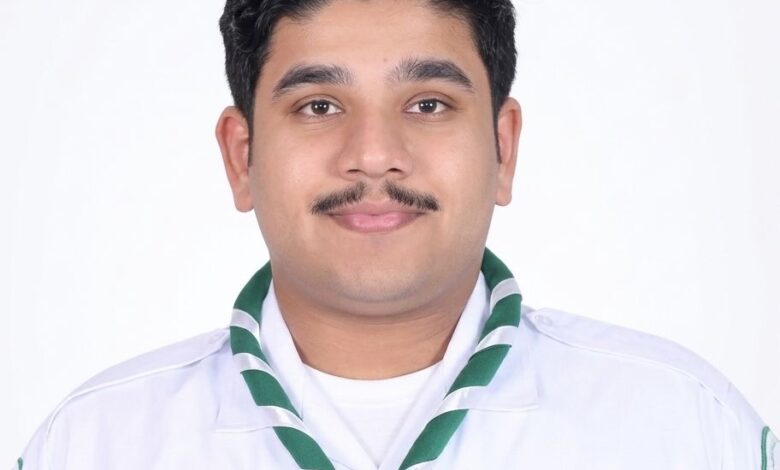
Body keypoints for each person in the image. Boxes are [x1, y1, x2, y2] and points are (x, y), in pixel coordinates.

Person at [15, 0, 776, 469]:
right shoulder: (92, 444)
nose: (375, 154)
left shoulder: (687, 427)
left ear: (503, 147)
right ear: (242, 157)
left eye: (428, 104)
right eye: (318, 105)